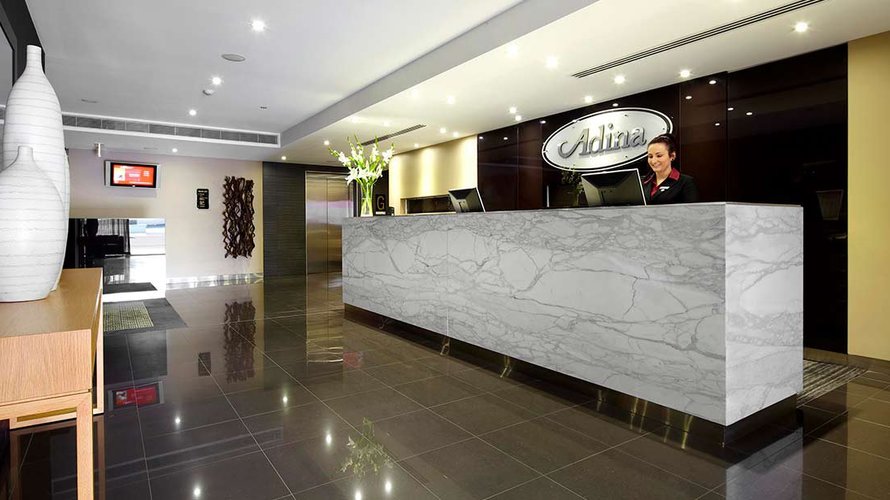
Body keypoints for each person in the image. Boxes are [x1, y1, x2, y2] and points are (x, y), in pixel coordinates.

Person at [642, 133, 699, 204]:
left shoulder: (686, 182)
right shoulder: (643, 182)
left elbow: (692, 210)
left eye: (659, 156)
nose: (654, 161)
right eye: (650, 156)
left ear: (672, 156)